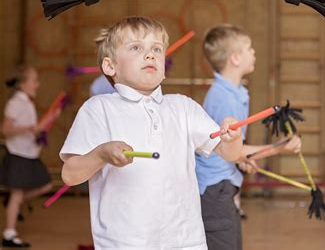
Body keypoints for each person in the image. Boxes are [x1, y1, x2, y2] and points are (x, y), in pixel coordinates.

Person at [60, 16, 246, 249]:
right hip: (124, 243)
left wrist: (233, 138)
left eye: (157, 49)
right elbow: (70, 175)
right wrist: (101, 154)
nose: (150, 55)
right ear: (110, 66)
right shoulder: (98, 109)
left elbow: (229, 153)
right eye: (136, 47)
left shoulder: (183, 107)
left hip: (185, 241)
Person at [196, 24, 301, 250]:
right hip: (215, 191)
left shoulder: (235, 92)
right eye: (249, 48)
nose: (254, 52)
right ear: (235, 58)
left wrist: (242, 159)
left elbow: (232, 149)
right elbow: (232, 150)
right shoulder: (224, 99)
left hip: (223, 187)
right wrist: (280, 146)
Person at [1, 65, 54, 248]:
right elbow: (5, 130)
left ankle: (13, 203)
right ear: (22, 84)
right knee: (17, 193)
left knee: (46, 185)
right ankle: (9, 233)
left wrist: (42, 127)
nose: (37, 84)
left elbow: (32, 129)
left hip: (29, 153)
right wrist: (30, 129)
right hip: (17, 155)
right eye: (34, 80)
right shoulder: (16, 102)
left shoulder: (26, 102)